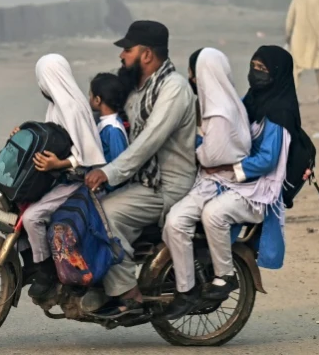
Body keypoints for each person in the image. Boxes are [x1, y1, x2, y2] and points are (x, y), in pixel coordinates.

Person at [84, 21, 197, 317]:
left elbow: (148, 141)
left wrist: (109, 172)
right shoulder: (138, 88)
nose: (122, 56)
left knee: (106, 215)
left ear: (146, 55)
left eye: (127, 50)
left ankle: (128, 294)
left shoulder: (173, 89)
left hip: (165, 186)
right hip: (141, 180)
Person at [193, 46, 301, 303]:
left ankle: (224, 275)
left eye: (263, 70)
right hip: (239, 180)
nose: (256, 74)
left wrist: (230, 169)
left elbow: (267, 160)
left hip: (260, 190)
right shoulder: (251, 100)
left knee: (214, 214)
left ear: (277, 74)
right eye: (254, 67)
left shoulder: (279, 112)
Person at [161, 48, 252, 319]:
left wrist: (193, 149)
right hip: (209, 179)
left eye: (192, 73)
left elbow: (212, 156)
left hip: (222, 182)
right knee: (172, 219)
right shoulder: (218, 106)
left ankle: (217, 277)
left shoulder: (222, 113)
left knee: (192, 219)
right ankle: (183, 283)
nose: (190, 78)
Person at [19, 53, 106, 299]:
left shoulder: (73, 107)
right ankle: (31, 261)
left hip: (79, 182)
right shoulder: (57, 104)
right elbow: (51, 137)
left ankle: (45, 272)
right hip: (60, 177)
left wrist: (60, 162)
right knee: (19, 203)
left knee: (33, 217)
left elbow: (91, 156)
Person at [89, 72, 130, 164]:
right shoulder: (103, 123)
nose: (89, 98)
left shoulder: (113, 130)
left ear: (97, 100)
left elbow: (119, 165)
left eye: (90, 95)